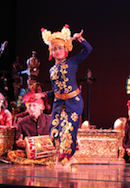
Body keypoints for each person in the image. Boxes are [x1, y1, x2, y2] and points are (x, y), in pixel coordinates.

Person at [36, 24, 92, 169]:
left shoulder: (72, 62)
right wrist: (43, 94)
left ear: (65, 49)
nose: (57, 51)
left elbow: (88, 50)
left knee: (68, 130)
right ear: (51, 52)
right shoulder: (52, 69)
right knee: (54, 131)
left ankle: (68, 158)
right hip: (58, 103)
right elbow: (55, 89)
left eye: (60, 48)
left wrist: (80, 40)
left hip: (73, 101)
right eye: (54, 48)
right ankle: (65, 157)